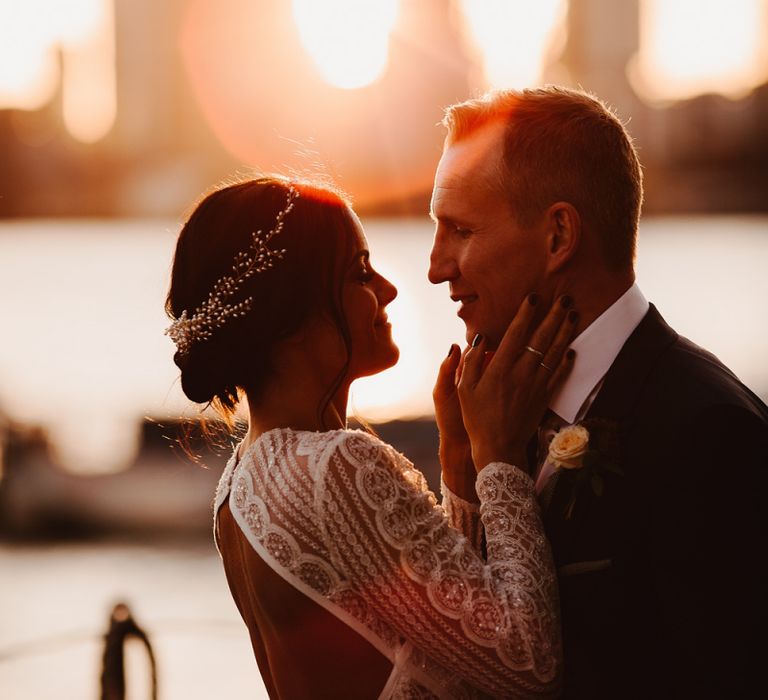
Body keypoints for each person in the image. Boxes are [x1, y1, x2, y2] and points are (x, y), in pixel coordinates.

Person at [165, 176, 576, 698]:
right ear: (290, 313)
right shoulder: (332, 468)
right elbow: (530, 666)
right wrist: (501, 457)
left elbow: (452, 629)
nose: (389, 288)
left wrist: (459, 463)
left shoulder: (241, 482)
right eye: (360, 273)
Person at [428, 86, 768, 698]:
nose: (435, 266)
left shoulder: (711, 431)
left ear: (559, 234)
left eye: (460, 229)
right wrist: (468, 468)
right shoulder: (501, 412)